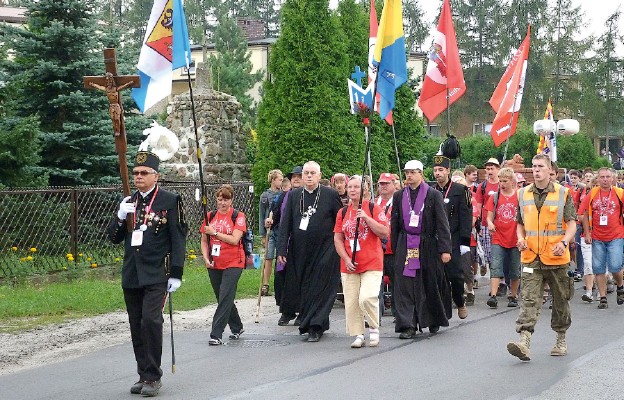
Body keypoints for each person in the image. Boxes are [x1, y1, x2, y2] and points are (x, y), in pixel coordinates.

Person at [108, 151, 187, 397]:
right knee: (135, 324)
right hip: (132, 273)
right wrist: (120, 216)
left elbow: (178, 239)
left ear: (156, 176)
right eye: (136, 173)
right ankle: (143, 373)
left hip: (157, 273)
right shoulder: (129, 201)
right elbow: (113, 237)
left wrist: (176, 273)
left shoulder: (169, 200)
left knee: (151, 321)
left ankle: (153, 376)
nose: (139, 177)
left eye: (144, 173)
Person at [507, 154, 576, 361]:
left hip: (556, 256)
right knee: (529, 298)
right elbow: (520, 223)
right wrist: (520, 238)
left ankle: (560, 337)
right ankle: (524, 341)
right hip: (530, 255)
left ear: (549, 170)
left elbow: (572, 222)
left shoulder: (563, 193)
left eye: (540, 167)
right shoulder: (523, 193)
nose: (536, 170)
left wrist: (564, 242)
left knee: (561, 299)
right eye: (534, 167)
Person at [276, 161, 343, 341]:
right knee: (305, 288)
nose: (309, 176)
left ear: (320, 176)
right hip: (300, 250)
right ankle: (310, 322)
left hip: (325, 250)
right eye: (306, 173)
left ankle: (316, 325)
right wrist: (282, 248)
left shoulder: (330, 195)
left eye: (313, 173)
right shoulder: (294, 195)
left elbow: (341, 220)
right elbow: (285, 224)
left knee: (320, 287)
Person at [391, 160, 452, 338]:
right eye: (407, 172)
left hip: (428, 244)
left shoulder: (433, 195)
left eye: (413, 172)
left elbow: (442, 224)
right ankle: (407, 324)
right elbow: (394, 223)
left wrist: (445, 249)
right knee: (405, 285)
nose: (409, 176)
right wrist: (396, 247)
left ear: (420, 173)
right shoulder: (399, 195)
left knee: (428, 282)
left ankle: (432, 319)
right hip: (405, 243)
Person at [334, 175, 388, 348]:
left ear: (364, 190)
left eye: (356, 187)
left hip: (372, 261)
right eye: (350, 187)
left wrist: (366, 217)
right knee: (351, 302)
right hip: (349, 263)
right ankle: (358, 334)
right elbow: (338, 238)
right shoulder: (342, 212)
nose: (352, 190)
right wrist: (346, 258)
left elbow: (384, 232)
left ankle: (373, 327)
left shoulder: (374, 208)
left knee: (367, 297)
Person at [200, 184, 248, 345]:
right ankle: (237, 326)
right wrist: (206, 257)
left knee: (226, 294)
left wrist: (215, 233)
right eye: (220, 199)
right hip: (215, 261)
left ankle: (216, 333)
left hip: (234, 261)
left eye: (226, 200)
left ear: (231, 200)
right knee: (222, 297)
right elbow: (204, 240)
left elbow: (235, 239)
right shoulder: (210, 215)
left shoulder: (238, 216)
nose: (222, 203)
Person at [579, 167, 624, 309]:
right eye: (602, 177)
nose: (605, 180)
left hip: (616, 235)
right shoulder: (592, 193)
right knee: (598, 268)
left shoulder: (620, 193)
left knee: (615, 266)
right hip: (597, 236)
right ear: (597, 179)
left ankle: (620, 285)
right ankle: (603, 297)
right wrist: (587, 233)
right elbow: (583, 214)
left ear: (613, 179)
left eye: (608, 177)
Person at [432, 155, 472, 319]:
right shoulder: (431, 191)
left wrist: (464, 241)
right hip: (436, 239)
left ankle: (460, 302)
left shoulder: (460, 190)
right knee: (437, 276)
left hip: (454, 239)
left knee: (455, 275)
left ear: (448, 170)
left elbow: (466, 216)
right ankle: (442, 309)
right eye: (435, 170)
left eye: (441, 170)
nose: (437, 173)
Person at [485, 168, 520, 308]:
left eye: (505, 181)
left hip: (515, 237)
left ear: (512, 181)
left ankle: (513, 295)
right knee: (496, 266)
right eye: (500, 181)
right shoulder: (495, 197)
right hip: (498, 237)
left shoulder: (518, 196)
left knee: (514, 268)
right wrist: (490, 223)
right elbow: (488, 216)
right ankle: (493, 295)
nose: (502, 184)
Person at [271, 166, 302, 315]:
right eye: (293, 176)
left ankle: (300, 310)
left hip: (301, 242)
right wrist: (270, 221)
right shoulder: (285, 196)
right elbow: (276, 215)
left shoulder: (308, 196)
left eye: (299, 176)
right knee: (281, 276)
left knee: (297, 277)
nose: (296, 179)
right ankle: (286, 310)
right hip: (285, 240)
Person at [475, 158, 501, 280]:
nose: (489, 171)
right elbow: (478, 205)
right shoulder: (482, 186)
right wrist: (478, 224)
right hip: (486, 224)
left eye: (492, 168)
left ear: (498, 169)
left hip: (501, 224)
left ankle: (502, 280)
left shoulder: (502, 184)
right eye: (488, 168)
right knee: (489, 252)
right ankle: (494, 278)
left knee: (500, 252)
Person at [259, 169, 284, 296]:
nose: (281, 181)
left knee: (280, 257)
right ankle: (266, 284)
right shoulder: (265, 196)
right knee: (268, 257)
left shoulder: (284, 194)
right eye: (279, 179)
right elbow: (261, 214)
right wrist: (263, 234)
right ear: (273, 180)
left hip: (280, 229)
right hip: (270, 231)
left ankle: (280, 282)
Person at [88, 72, 136, 136]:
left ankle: (118, 130)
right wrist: (93, 84)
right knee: (113, 119)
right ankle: (115, 130)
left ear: (112, 81)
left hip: (116, 106)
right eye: (107, 81)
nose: (109, 83)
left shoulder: (115, 89)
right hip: (111, 106)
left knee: (117, 119)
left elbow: (123, 86)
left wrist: (129, 83)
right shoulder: (106, 89)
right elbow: (99, 87)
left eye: (110, 81)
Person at [376, 172, 397, 316]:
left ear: (394, 185)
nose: (383, 186)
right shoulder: (373, 203)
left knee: (397, 284)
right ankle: (376, 315)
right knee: (376, 284)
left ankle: (398, 314)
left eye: (386, 183)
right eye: (381, 184)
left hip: (394, 250)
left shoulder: (399, 202)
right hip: (376, 251)